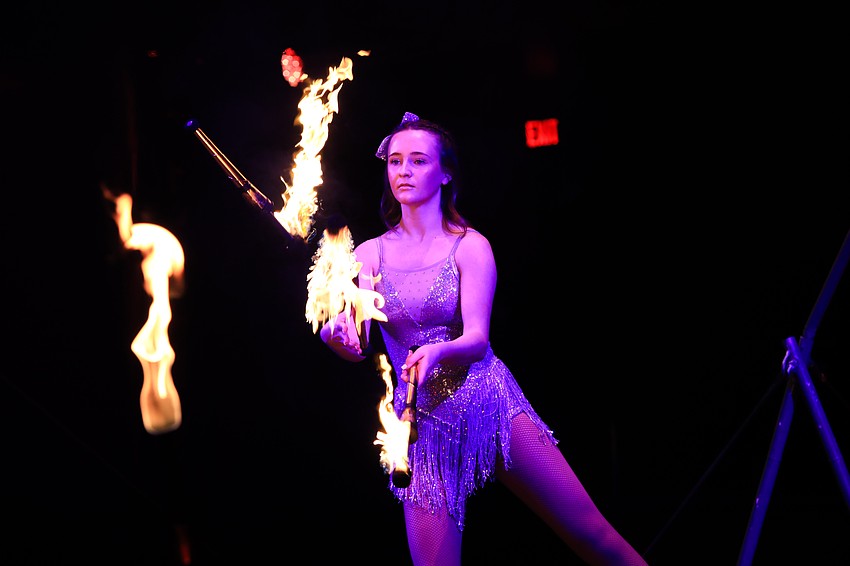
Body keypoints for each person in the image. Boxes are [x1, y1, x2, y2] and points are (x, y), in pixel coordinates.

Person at [320, 112, 648, 566]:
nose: (404, 171)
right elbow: (355, 335)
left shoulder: (470, 245)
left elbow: (476, 338)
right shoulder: (368, 254)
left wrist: (438, 351)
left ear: (445, 172)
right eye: (396, 162)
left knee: (591, 532)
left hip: (489, 402)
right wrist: (336, 335)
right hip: (422, 426)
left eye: (417, 161)